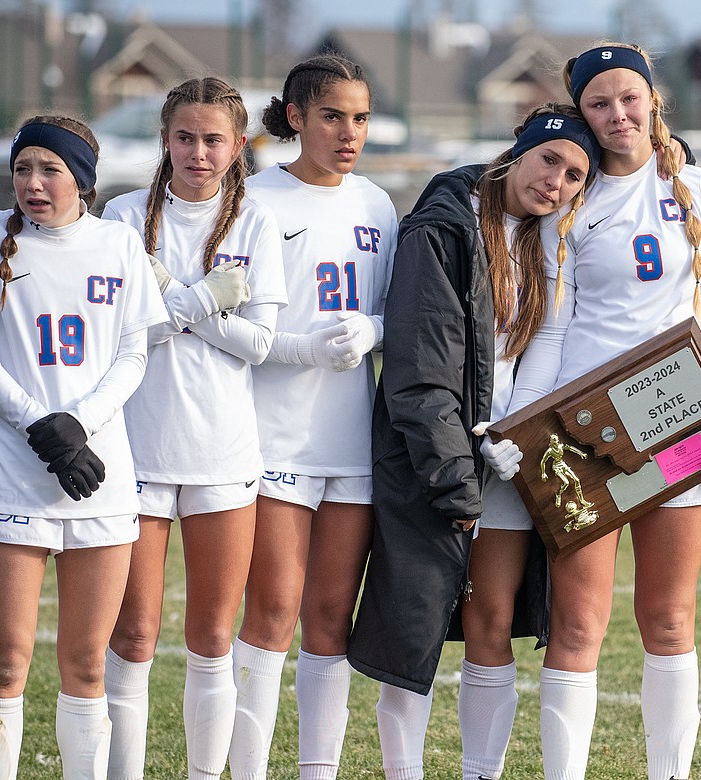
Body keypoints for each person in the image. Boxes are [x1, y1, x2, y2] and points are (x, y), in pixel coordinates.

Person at [487, 43, 701, 780]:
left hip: (681, 433)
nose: (617, 115)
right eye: (599, 104)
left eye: (628, 98)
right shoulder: (569, 202)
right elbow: (549, 332)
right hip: (580, 442)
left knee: (669, 619)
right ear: (581, 112)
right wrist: (518, 426)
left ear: (653, 99)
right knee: (577, 623)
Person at [345, 102, 599, 780]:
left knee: (490, 624)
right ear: (520, 149)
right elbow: (419, 369)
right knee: (416, 630)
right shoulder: (445, 225)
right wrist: (456, 466)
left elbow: (540, 348)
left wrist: (516, 433)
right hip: (439, 459)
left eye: (575, 176)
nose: (556, 182)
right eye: (550, 161)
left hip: (512, 459)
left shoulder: (550, 242)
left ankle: (479, 773)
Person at [0, 115, 165, 777]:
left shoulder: (120, 245)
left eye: (51, 170)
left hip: (98, 473)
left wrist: (79, 426)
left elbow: (133, 353)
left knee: (85, 664)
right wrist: (41, 427)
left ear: (84, 180)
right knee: (7, 661)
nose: (33, 184)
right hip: (9, 472)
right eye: (23, 169)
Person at [101, 77, 287, 780]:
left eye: (214, 140)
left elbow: (261, 344)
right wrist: (205, 302)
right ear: (164, 139)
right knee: (134, 632)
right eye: (185, 137)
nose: (198, 153)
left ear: (239, 146)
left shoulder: (256, 222)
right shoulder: (121, 218)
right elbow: (121, 337)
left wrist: (176, 301)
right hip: (136, 453)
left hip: (222, 451)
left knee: (213, 636)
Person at [227, 54, 398, 780]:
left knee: (331, 623)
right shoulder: (252, 200)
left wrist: (374, 331)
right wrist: (300, 350)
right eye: (332, 116)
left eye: (359, 118)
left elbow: (400, 312)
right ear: (296, 118)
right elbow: (225, 324)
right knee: (270, 616)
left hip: (351, 445)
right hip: (272, 441)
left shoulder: (378, 205)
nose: (348, 132)